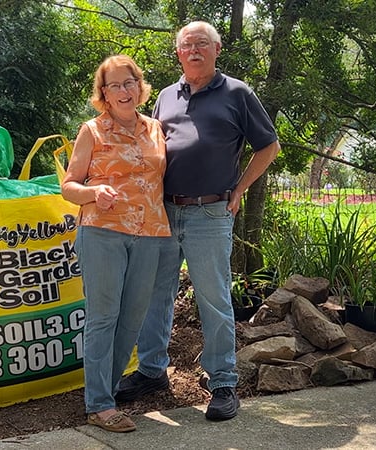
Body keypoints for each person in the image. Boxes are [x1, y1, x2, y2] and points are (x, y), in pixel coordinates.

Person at [115, 21, 281, 422]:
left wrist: (239, 190)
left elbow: (269, 146)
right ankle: (153, 371)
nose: (193, 50)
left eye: (201, 44)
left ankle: (223, 382)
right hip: (164, 211)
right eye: (187, 45)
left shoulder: (238, 93)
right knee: (156, 294)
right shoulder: (166, 98)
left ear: (216, 49)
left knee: (213, 298)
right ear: (178, 54)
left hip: (211, 212)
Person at [61, 55, 171, 433]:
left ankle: (104, 393)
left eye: (129, 83)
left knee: (132, 319)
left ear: (140, 87)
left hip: (151, 234)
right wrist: (93, 192)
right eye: (114, 85)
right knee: (104, 317)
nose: (123, 91)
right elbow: (68, 186)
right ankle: (100, 404)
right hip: (103, 231)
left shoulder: (156, 129)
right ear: (103, 94)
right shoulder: (92, 130)